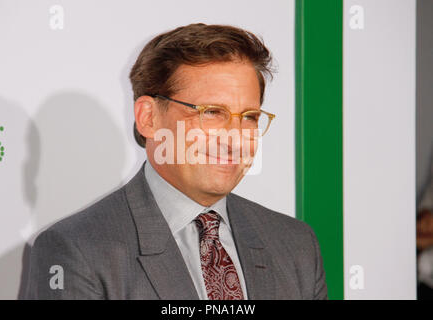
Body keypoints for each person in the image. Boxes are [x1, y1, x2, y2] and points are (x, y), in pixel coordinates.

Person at [25, 23, 327, 300]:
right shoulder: (75, 250)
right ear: (148, 117)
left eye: (249, 117)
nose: (234, 138)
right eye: (211, 112)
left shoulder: (296, 245)